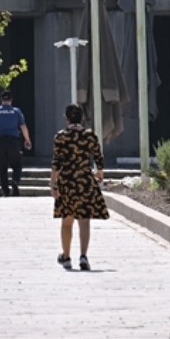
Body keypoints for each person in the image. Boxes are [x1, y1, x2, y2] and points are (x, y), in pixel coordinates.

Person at [49, 103, 108, 270]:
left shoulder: (61, 137)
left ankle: (66, 256)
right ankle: (83, 256)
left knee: (67, 220)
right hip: (84, 180)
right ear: (82, 118)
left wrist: (53, 184)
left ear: (66, 119)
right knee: (84, 220)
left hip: (67, 180)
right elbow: (98, 156)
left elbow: (56, 162)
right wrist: (100, 173)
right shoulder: (89, 135)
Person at [0, 90, 31, 196]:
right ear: (11, 100)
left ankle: (5, 190)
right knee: (17, 164)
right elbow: (23, 126)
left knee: (2, 167)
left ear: (1, 100)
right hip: (13, 142)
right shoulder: (16, 111)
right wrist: (27, 139)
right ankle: (15, 181)